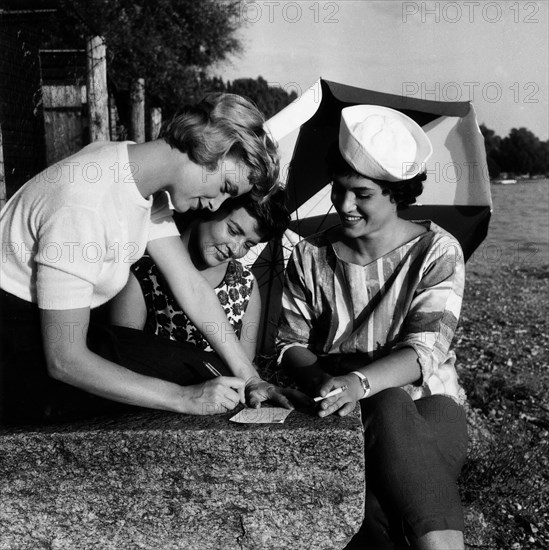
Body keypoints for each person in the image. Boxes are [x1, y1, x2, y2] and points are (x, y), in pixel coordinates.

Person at [0, 92, 295, 426]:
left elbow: (191, 287)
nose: (215, 205)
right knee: (188, 384)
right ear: (208, 145)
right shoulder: (82, 205)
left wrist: (251, 377)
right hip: (14, 352)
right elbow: (65, 360)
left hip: (47, 336)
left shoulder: (140, 178)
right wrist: (183, 399)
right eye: (225, 186)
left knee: (214, 371)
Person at [277, 105, 468, 550]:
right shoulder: (310, 256)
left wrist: (359, 382)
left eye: (361, 194)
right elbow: (288, 343)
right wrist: (322, 378)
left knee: (386, 407)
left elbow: (424, 352)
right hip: (340, 402)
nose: (344, 206)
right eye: (339, 190)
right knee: (387, 497)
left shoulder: (437, 251)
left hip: (428, 400)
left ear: (396, 193)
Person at [109, 190, 295, 401]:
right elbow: (122, 356)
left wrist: (253, 384)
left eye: (249, 244)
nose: (235, 249)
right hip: (152, 399)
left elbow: (245, 363)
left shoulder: (245, 284)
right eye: (233, 230)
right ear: (212, 205)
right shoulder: (144, 272)